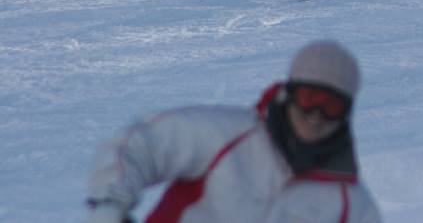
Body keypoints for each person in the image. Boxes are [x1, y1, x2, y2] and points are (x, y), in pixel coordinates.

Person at [86, 40, 382, 223]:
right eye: (309, 99)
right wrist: (110, 204)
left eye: (331, 106)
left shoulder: (348, 203)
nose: (316, 116)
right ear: (289, 94)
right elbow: (141, 145)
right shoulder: (226, 137)